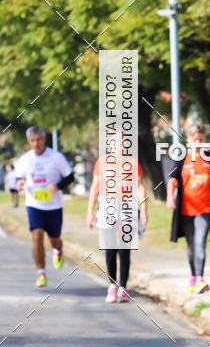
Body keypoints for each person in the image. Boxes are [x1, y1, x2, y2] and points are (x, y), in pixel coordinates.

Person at [167, 122, 210, 293]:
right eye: (194, 139)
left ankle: (201, 278)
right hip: (186, 210)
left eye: (201, 139)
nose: (198, 143)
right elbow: (172, 180)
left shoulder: (209, 156)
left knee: (200, 243)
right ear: (188, 139)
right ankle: (193, 277)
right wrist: (169, 198)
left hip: (206, 209)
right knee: (191, 246)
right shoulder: (181, 157)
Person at [14, 126, 74, 288]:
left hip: (54, 205)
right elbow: (18, 178)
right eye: (32, 140)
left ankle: (58, 250)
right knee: (37, 234)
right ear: (29, 141)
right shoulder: (25, 159)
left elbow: (70, 176)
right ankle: (41, 273)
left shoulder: (55, 157)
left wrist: (58, 186)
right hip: (34, 204)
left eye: (38, 139)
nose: (36, 143)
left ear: (44, 139)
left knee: (54, 239)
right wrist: (18, 183)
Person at [86, 152, 148, 303]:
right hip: (108, 206)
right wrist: (90, 213)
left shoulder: (132, 162)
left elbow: (140, 186)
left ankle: (123, 288)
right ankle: (112, 286)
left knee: (125, 249)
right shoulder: (102, 161)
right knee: (110, 248)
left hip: (127, 207)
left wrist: (144, 210)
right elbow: (95, 187)